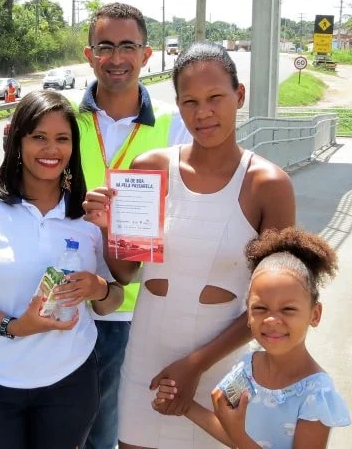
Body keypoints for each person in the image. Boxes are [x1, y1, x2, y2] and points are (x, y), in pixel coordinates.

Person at [0, 3, 192, 449]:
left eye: (127, 46)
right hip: (68, 316)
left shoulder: (175, 125)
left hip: (132, 304)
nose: (116, 57)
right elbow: (13, 185)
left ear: (147, 54)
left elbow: (190, 212)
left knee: (108, 432)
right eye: (105, 46)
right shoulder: (61, 111)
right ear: (89, 55)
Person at [83, 41, 297, 449]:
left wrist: (195, 366)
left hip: (221, 368)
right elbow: (126, 273)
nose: (203, 113)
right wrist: (113, 229)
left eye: (216, 97)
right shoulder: (149, 168)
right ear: (178, 106)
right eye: (190, 102)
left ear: (239, 95)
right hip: (145, 359)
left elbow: (273, 305)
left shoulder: (268, 185)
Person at [0, 89, 126, 449]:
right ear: (17, 141)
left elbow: (112, 298)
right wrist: (14, 327)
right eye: (38, 137)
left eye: (61, 139)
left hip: (70, 381)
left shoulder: (87, 216)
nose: (50, 150)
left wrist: (98, 287)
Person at [154, 228, 351, 448]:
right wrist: (184, 406)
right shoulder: (247, 367)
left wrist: (239, 436)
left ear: (315, 315)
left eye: (287, 309)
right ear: (248, 314)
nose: (272, 320)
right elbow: (230, 428)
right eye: (260, 308)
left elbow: (238, 436)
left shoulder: (316, 394)